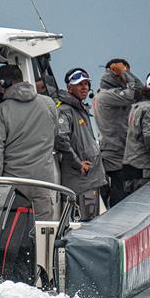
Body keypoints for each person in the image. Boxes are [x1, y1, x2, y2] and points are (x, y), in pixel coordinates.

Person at [0, 65, 59, 220]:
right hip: (44, 183)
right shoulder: (49, 104)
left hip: (14, 184)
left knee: (13, 232)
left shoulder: (0, 111)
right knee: (43, 233)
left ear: (4, 83)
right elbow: (56, 135)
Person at [55, 68, 107, 221]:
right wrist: (78, 164)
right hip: (81, 180)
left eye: (87, 84)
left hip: (91, 179)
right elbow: (60, 138)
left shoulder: (79, 108)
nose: (85, 87)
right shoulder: (65, 110)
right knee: (84, 224)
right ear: (69, 87)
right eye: (80, 84)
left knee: (92, 221)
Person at [92, 58, 142, 206]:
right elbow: (138, 91)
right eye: (124, 72)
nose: (128, 76)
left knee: (118, 194)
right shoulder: (107, 96)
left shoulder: (105, 94)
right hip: (115, 155)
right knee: (121, 199)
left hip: (116, 152)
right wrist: (124, 73)